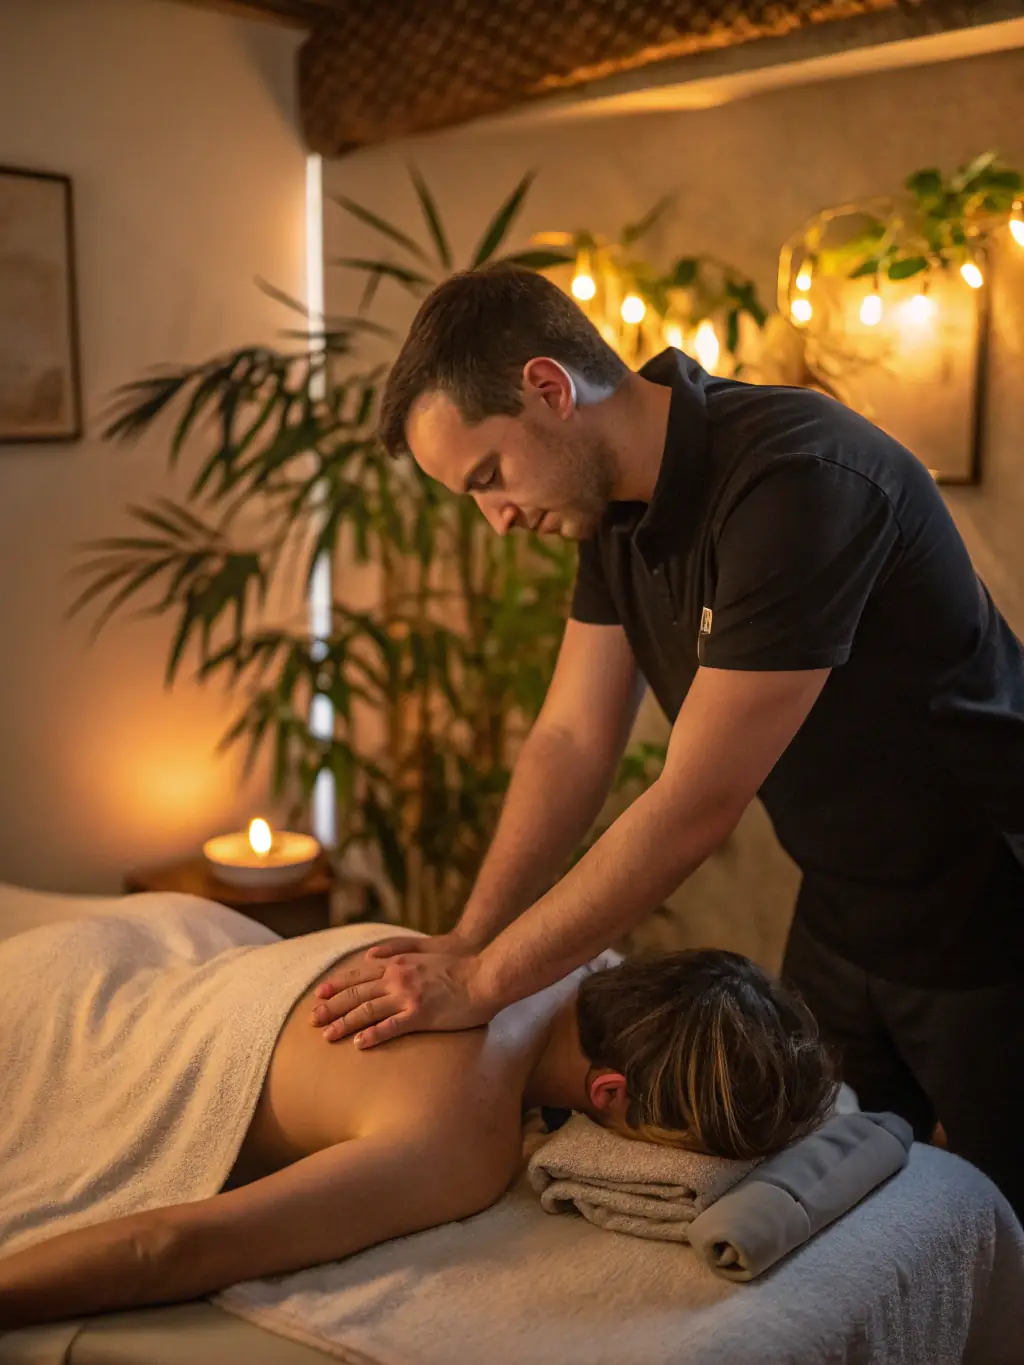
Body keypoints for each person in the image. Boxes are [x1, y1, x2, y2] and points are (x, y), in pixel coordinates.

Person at [312, 262, 1024, 1219]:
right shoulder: (612, 509)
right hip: (843, 901)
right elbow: (572, 737)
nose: (499, 518)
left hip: (991, 905)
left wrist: (485, 982)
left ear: (549, 389)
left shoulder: (796, 481)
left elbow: (694, 805)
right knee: (823, 1197)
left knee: (1005, 1218)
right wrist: (470, 933)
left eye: (489, 477)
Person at [0, 904, 835, 1330]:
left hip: (108, 952)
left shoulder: (523, 943)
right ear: (609, 1093)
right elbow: (166, 1247)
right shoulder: (461, 1141)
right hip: (49, 1043)